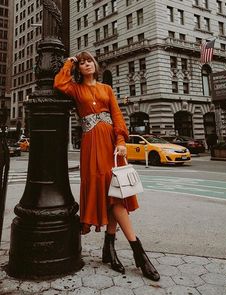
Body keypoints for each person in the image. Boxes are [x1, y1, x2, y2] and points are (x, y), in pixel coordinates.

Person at [54, 51, 160, 281]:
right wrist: (70, 61)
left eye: (89, 61)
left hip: (112, 147)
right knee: (110, 195)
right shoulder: (75, 88)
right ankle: (137, 253)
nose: (86, 65)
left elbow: (117, 116)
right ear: (78, 69)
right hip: (92, 146)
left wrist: (121, 141)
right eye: (82, 63)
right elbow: (59, 82)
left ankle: (111, 249)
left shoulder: (107, 89)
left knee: (116, 195)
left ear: (96, 64)